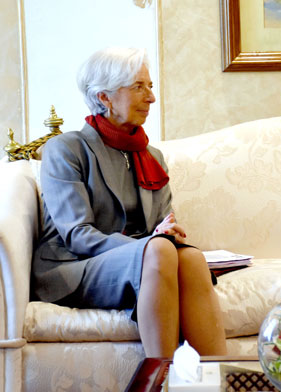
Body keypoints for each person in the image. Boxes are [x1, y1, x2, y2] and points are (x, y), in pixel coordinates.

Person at [31, 47, 227, 358]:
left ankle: (218, 379)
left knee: (191, 259)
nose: (150, 97)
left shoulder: (152, 157)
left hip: (146, 260)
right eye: (138, 87)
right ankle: (158, 380)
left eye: (150, 87)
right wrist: (153, 243)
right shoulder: (65, 149)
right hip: (73, 266)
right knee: (161, 248)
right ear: (104, 97)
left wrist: (164, 237)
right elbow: (78, 236)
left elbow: (165, 226)